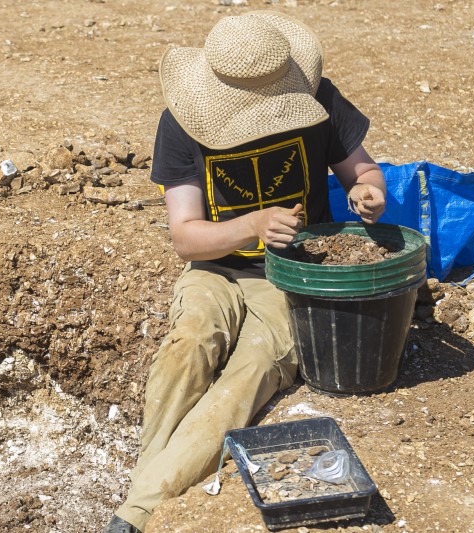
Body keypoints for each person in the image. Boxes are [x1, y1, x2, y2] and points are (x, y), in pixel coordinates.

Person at [104, 11, 386, 533]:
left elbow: (363, 171)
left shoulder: (319, 100)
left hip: (291, 274)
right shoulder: (183, 121)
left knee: (251, 371)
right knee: (190, 343)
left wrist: (368, 192)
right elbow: (186, 236)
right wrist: (250, 225)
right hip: (215, 268)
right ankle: (148, 486)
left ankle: (136, 510)